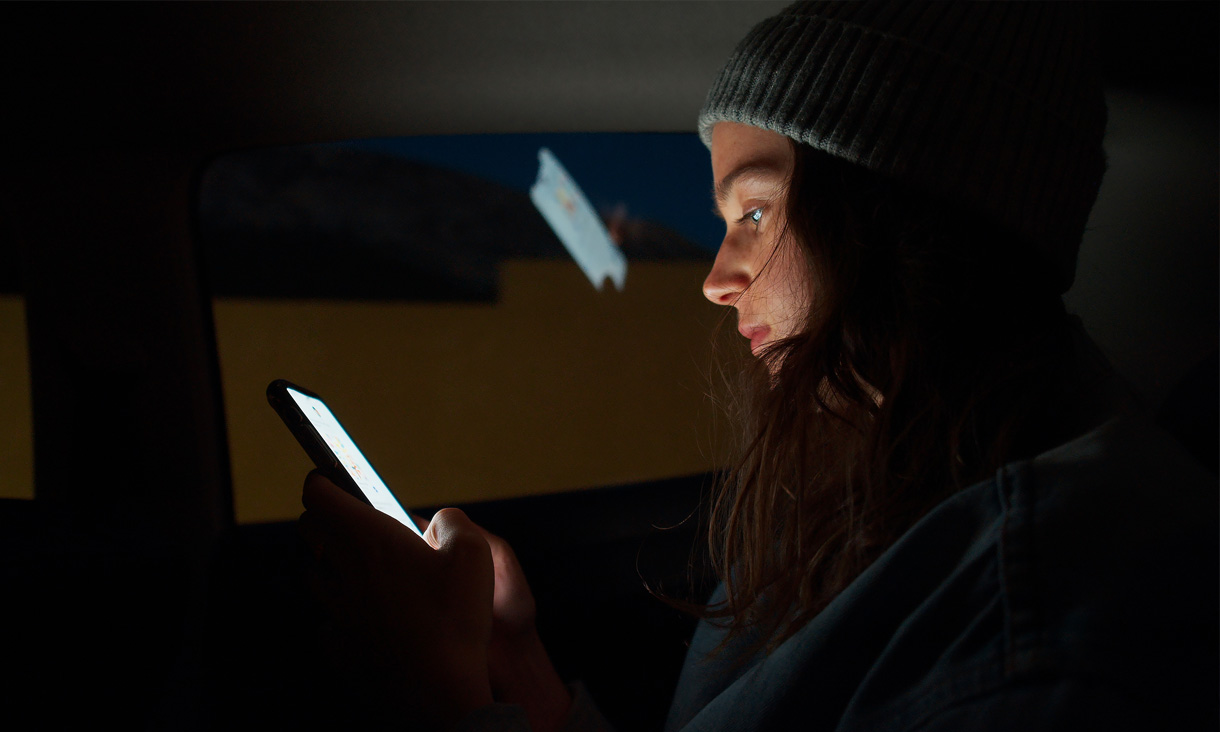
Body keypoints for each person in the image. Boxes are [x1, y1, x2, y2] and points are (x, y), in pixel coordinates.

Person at [298, 3, 1218, 730]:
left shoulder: (1043, 624)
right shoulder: (854, 472)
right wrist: (519, 670)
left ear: (903, 219)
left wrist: (443, 707)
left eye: (754, 213)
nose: (716, 281)